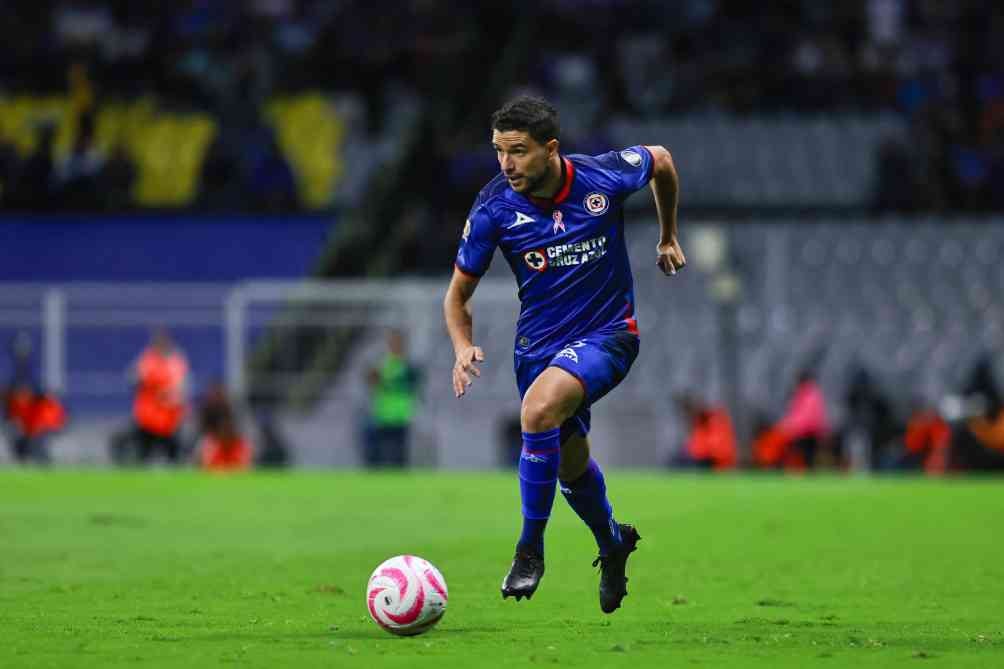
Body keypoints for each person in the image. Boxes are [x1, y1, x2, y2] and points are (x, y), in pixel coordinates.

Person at [442, 96, 685, 613]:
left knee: (536, 410)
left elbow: (660, 158)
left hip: (608, 334)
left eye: (518, 152)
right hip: (538, 350)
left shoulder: (602, 178)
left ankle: (530, 550)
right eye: (498, 152)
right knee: (570, 467)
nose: (506, 165)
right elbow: (457, 296)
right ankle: (612, 541)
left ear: (550, 150)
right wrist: (462, 346)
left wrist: (667, 236)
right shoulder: (493, 208)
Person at [113, 329, 189, 464]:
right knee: (144, 456)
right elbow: (134, 380)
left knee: (174, 458)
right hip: (148, 418)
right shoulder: (147, 361)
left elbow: (180, 390)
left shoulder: (176, 363)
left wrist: (170, 395)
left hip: (169, 420)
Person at [362, 329, 422, 468]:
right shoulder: (382, 363)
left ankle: (398, 485)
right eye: (392, 342)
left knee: (399, 455)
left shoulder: (408, 366)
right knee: (377, 455)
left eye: (397, 342)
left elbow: (414, 386)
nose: (395, 345)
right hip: (382, 414)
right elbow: (371, 382)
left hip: (401, 415)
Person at [670, 393, 737, 471]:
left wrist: (695, 452)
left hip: (715, 462)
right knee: (676, 459)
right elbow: (694, 445)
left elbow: (717, 450)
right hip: (703, 459)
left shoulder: (716, 420)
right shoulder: (699, 423)